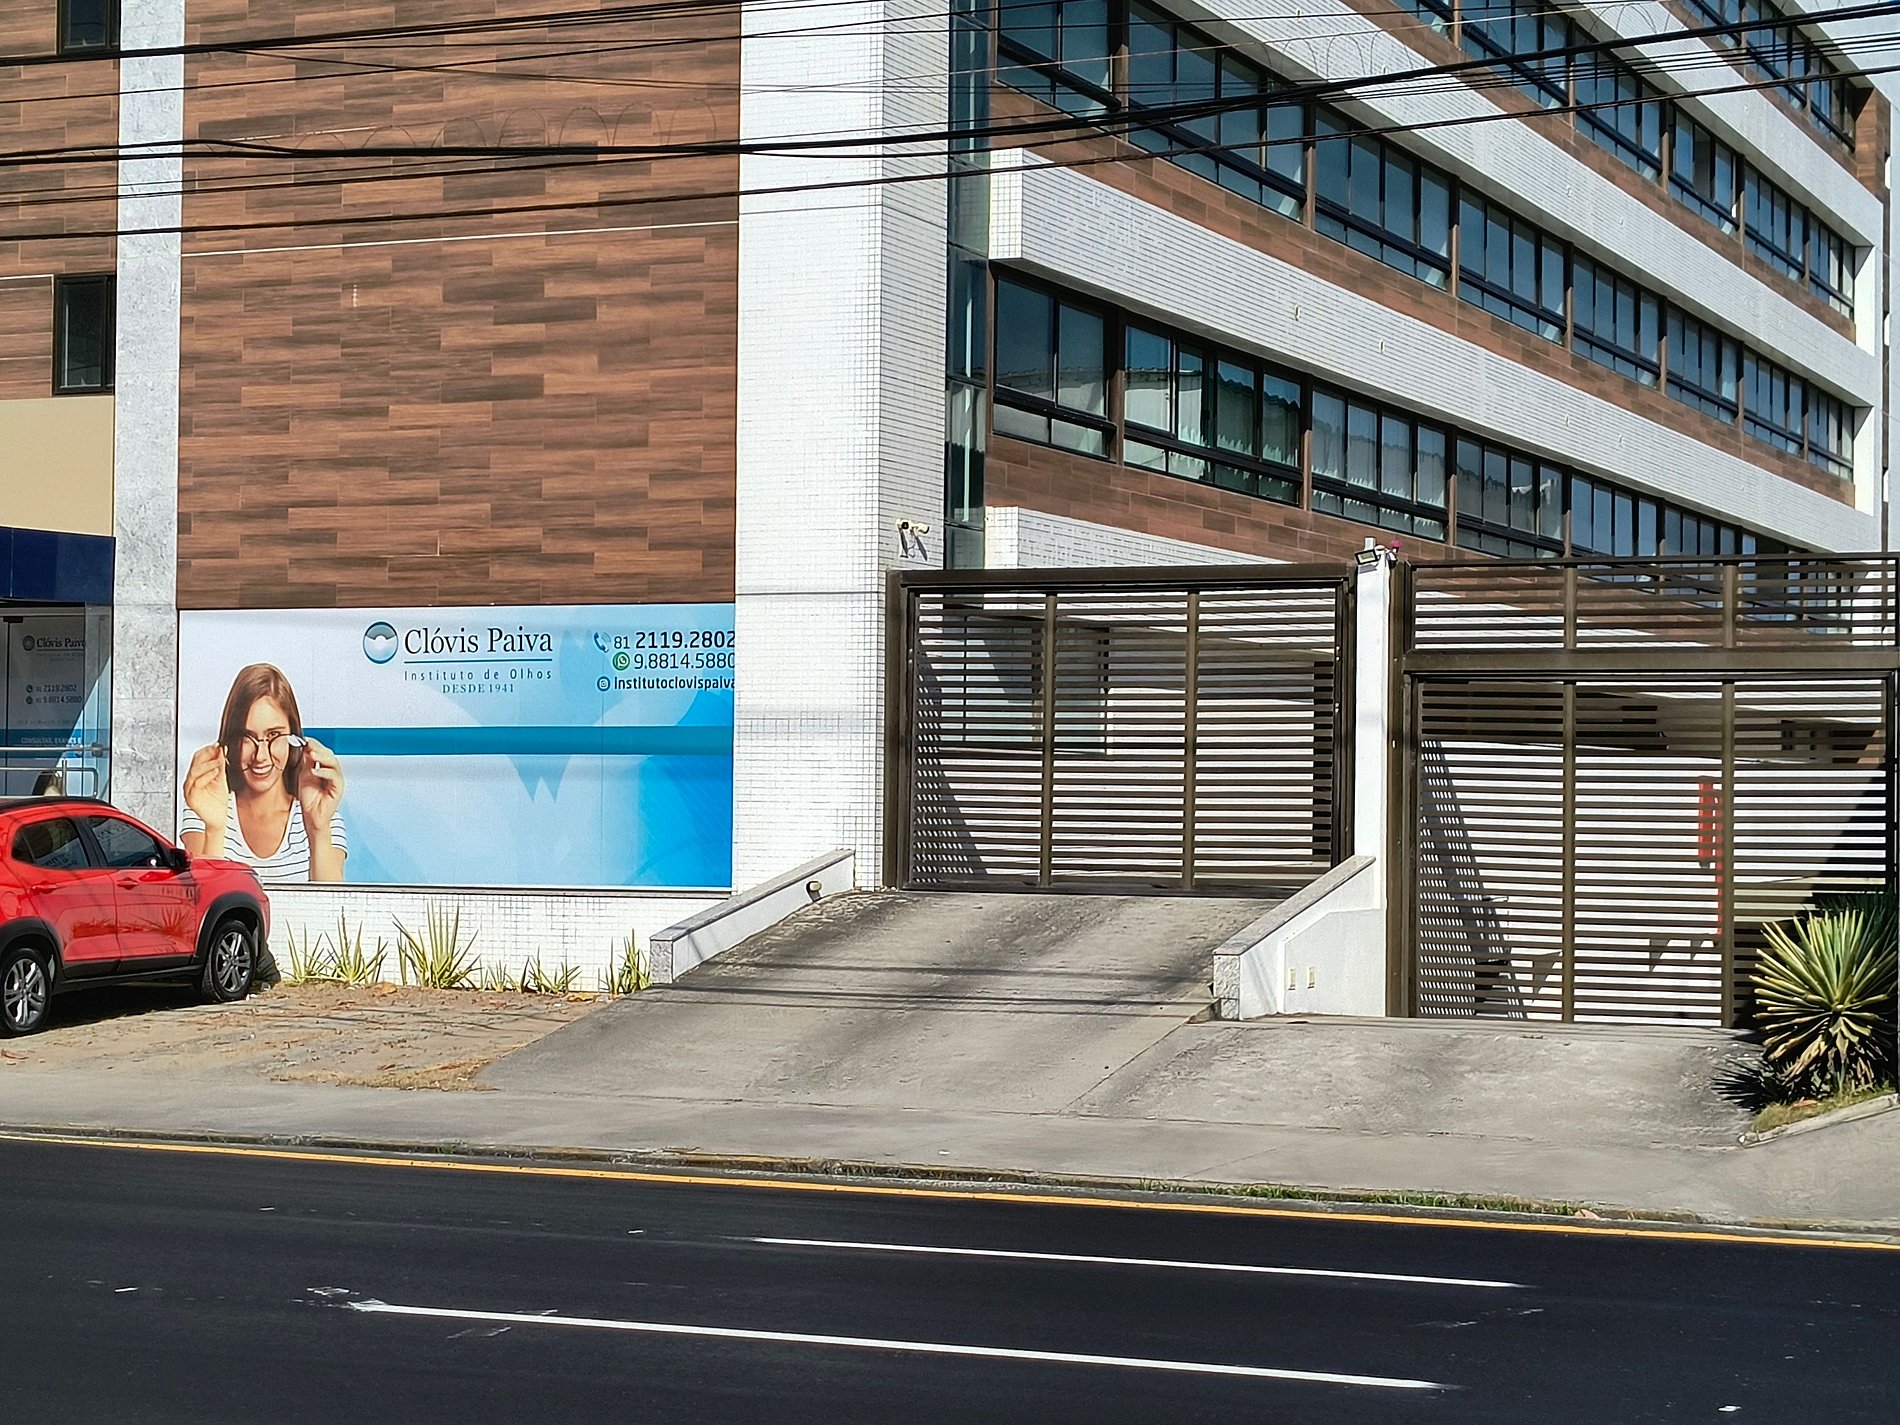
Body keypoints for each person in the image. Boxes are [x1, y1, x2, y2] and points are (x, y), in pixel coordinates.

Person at [182, 663, 346, 883]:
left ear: (293, 737)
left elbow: (333, 903)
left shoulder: (321, 812)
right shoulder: (205, 806)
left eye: (273, 735)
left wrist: (318, 829)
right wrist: (215, 829)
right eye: (246, 737)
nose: (260, 756)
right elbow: (203, 897)